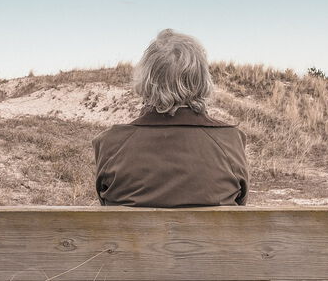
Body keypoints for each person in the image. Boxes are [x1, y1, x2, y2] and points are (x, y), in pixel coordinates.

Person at [92, 29, 249, 208]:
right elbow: (240, 203)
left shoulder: (111, 144)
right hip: (209, 237)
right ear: (202, 81)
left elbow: (105, 202)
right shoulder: (230, 142)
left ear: (146, 81)